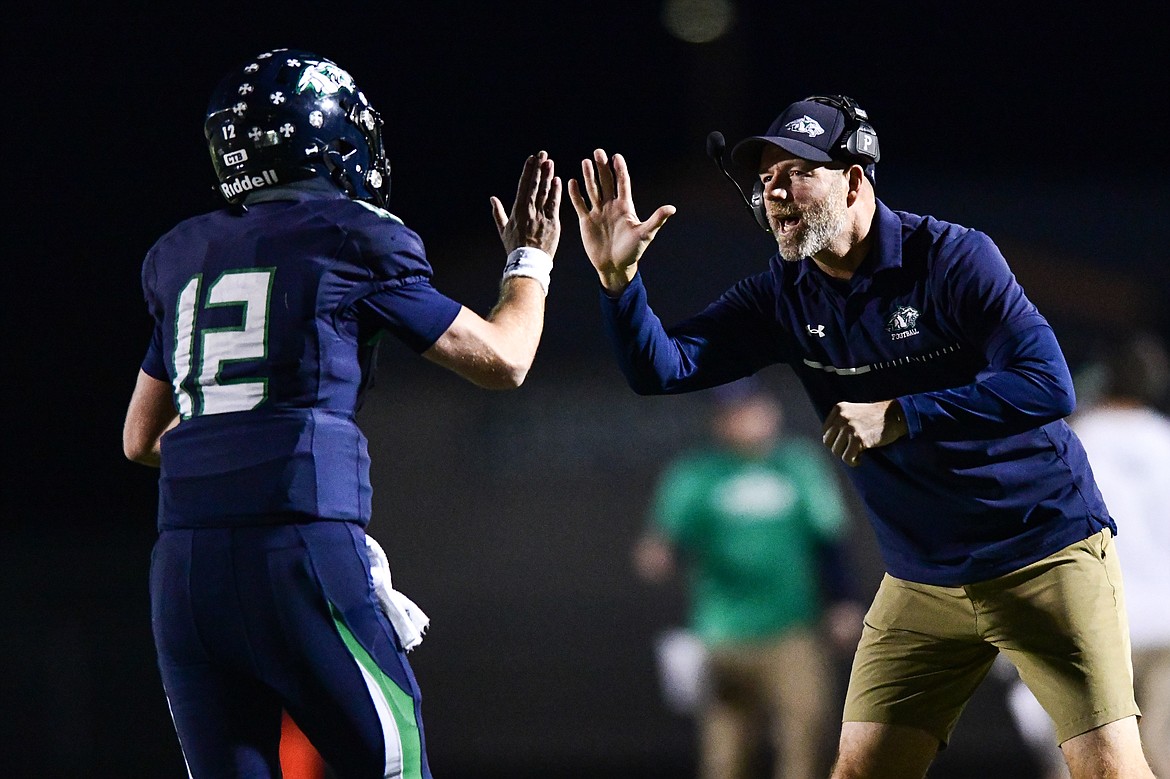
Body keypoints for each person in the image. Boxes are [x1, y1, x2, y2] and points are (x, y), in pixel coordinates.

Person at [568, 95, 1155, 778]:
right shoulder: (782, 295)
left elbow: (1047, 384)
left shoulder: (953, 258)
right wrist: (619, 286)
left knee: (1108, 765)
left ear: (855, 177)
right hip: (923, 575)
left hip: (1042, 552)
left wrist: (903, 410)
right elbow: (662, 368)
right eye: (765, 181)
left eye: (796, 172)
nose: (776, 193)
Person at [122, 49, 561, 779]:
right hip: (297, 548)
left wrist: (238, 441)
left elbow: (141, 436)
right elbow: (504, 358)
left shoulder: (183, 255)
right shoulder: (352, 237)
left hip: (184, 571)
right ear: (325, 138)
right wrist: (529, 262)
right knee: (396, 765)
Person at [633, 378, 863, 779]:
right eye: (733, 414)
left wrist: (843, 601)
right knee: (727, 753)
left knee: (807, 733)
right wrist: (659, 554)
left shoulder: (797, 464)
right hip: (723, 632)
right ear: (718, 422)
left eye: (752, 409)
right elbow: (664, 542)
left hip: (792, 628)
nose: (745, 421)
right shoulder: (697, 474)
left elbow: (828, 539)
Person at [1004, 331, 1170, 779]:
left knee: (1085, 759)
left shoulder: (1073, 442)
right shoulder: (1166, 443)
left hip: (1095, 624)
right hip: (1167, 627)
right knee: (1161, 754)